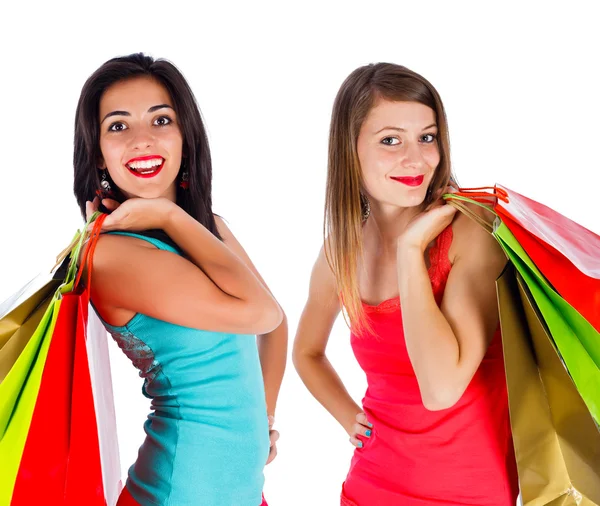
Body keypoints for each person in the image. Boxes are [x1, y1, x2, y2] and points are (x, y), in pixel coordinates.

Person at [293, 63, 519, 505]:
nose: (415, 160)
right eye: (390, 140)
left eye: (427, 137)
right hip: (372, 482)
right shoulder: (343, 250)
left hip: (468, 491)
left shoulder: (473, 234)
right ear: (349, 150)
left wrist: (411, 252)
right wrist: (349, 419)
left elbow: (441, 389)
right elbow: (306, 352)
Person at [74, 53, 287, 506]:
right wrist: (170, 216)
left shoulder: (206, 226)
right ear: (97, 153)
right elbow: (261, 313)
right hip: (180, 492)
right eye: (118, 126)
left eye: (161, 120)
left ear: (185, 136)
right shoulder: (112, 254)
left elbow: (276, 325)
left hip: (242, 492)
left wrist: (259, 421)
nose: (142, 140)